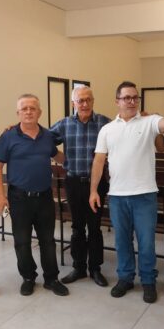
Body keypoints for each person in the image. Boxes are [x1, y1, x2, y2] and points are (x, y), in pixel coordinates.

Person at [89, 81, 164, 303]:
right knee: (122, 241)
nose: (132, 101)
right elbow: (99, 161)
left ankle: (148, 281)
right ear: (117, 101)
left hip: (144, 195)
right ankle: (125, 278)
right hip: (117, 196)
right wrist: (93, 190)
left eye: (135, 97)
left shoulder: (149, 122)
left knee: (146, 242)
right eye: (127, 98)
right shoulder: (107, 130)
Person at [0, 94, 69, 297]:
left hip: (44, 197)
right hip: (19, 198)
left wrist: (78, 160)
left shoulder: (47, 136)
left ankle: (51, 279)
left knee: (48, 241)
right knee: (22, 241)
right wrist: (0, 195)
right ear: (18, 113)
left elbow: (57, 156)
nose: (28, 112)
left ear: (39, 112)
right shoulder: (8, 136)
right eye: (24, 108)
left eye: (32, 108)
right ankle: (28, 277)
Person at [49, 86, 110, 287]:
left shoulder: (104, 123)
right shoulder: (64, 124)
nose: (84, 104)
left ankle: (95, 268)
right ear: (73, 103)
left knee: (95, 227)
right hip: (73, 182)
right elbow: (43, 140)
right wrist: (62, 159)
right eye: (80, 100)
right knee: (77, 227)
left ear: (93, 101)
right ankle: (79, 267)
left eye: (88, 100)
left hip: (97, 184)